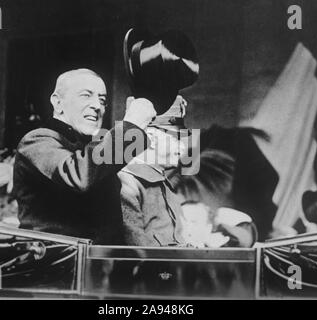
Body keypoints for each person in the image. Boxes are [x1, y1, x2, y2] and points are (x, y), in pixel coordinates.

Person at [13, 68, 156, 244]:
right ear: (58, 103)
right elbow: (79, 175)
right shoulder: (36, 141)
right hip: (55, 264)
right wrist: (131, 127)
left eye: (102, 100)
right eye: (86, 95)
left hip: (95, 265)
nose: (97, 106)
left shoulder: (92, 149)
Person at [118, 97, 187, 246]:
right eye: (176, 138)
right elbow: (138, 255)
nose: (182, 148)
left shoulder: (164, 185)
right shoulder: (127, 184)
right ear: (151, 138)